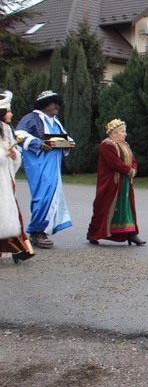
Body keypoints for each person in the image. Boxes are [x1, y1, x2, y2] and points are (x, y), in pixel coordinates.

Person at [15, 90, 73, 248]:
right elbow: (18, 134)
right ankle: (36, 231)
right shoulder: (31, 118)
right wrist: (37, 143)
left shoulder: (55, 121)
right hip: (39, 164)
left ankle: (42, 229)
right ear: (44, 104)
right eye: (53, 103)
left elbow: (63, 137)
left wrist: (69, 143)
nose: (56, 106)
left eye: (57, 103)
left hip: (54, 165)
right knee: (42, 196)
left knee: (52, 195)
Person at [86, 119, 145, 246]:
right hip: (111, 183)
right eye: (122, 131)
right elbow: (114, 163)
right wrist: (129, 171)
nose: (125, 134)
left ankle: (131, 233)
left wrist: (133, 169)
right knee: (104, 206)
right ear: (113, 133)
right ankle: (94, 233)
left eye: (125, 131)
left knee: (126, 206)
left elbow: (132, 159)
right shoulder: (107, 145)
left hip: (124, 182)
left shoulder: (125, 145)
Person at [0, 91, 35, 264]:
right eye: (9, 111)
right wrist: (3, 154)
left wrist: (14, 157)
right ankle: (15, 248)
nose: (11, 114)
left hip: (6, 179)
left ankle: (16, 248)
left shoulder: (6, 129)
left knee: (8, 213)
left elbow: (10, 158)